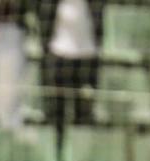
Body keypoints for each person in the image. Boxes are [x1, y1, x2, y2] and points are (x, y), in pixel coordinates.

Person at [38, 0, 105, 130]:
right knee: (55, 111)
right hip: (58, 56)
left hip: (86, 57)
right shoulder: (51, 4)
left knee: (84, 113)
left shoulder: (94, 4)